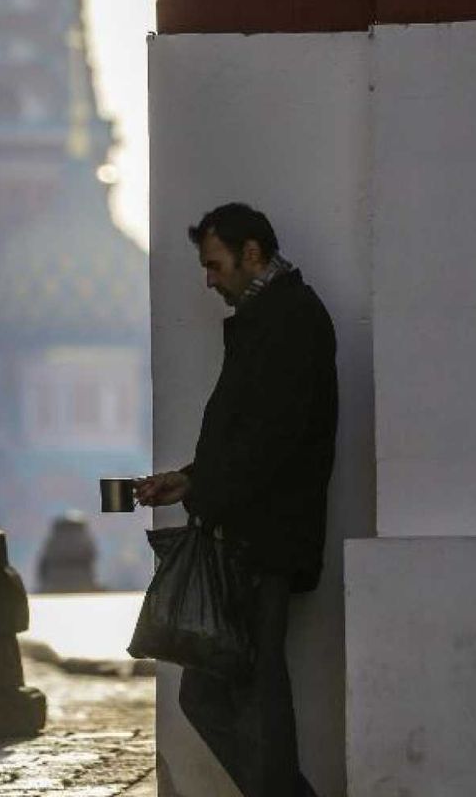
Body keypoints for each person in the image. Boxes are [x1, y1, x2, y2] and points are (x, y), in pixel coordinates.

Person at [135, 202, 336, 797]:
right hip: (251, 528)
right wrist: (192, 479)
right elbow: (250, 435)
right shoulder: (270, 316)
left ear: (252, 254)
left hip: (261, 535)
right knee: (230, 687)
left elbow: (272, 440)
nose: (210, 279)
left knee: (245, 687)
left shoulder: (289, 318)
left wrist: (207, 489)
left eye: (215, 264)